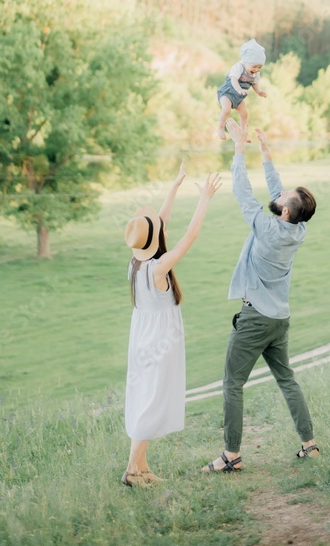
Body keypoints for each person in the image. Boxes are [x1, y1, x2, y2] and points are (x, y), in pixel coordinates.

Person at [202, 121, 319, 473]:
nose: (279, 196)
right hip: (279, 319)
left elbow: (243, 193)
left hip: (255, 319)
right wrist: (265, 151)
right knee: (287, 380)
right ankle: (309, 445)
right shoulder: (297, 228)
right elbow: (276, 191)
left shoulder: (267, 228)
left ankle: (231, 455)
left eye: (283, 199)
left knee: (232, 383)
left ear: (284, 211)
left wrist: (239, 147)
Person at [122, 161, 222, 487]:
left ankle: (141, 467)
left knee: (145, 397)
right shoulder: (160, 267)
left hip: (141, 336)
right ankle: (131, 470)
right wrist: (204, 197)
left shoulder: (137, 265)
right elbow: (189, 236)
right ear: (158, 238)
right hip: (159, 341)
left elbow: (160, 223)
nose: (165, 227)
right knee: (152, 402)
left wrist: (176, 185)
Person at [217, 38, 268, 140]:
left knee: (244, 114)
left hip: (238, 97)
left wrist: (259, 92)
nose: (256, 69)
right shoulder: (239, 67)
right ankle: (220, 128)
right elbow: (234, 80)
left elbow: (255, 83)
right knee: (226, 110)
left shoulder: (256, 73)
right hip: (227, 93)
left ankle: (244, 133)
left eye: (259, 67)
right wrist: (239, 89)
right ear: (246, 61)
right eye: (254, 66)